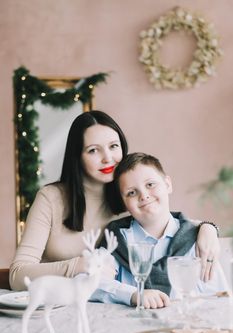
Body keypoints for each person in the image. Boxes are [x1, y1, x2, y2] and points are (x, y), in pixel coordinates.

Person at [9, 111, 220, 291]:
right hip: (55, 304)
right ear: (78, 156)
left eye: (113, 146)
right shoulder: (51, 198)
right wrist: (78, 266)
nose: (108, 158)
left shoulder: (129, 194)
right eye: (93, 150)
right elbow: (17, 275)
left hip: (105, 307)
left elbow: (166, 221)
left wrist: (208, 228)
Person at [92, 153, 228, 308]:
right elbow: (91, 282)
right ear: (124, 203)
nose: (143, 196)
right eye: (131, 192)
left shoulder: (198, 239)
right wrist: (134, 294)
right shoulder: (117, 239)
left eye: (150, 185)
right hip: (129, 328)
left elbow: (220, 300)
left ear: (168, 184)